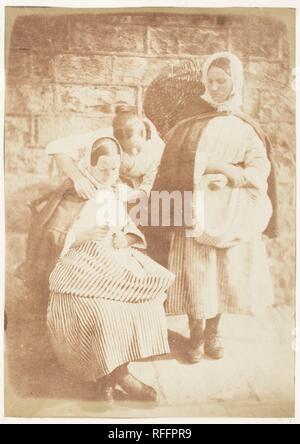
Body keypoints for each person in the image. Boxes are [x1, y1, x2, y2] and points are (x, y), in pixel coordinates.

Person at [152, 51, 276, 363]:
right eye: (210, 80)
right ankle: (195, 333)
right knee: (198, 271)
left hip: (232, 210)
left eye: (222, 80)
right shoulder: (191, 121)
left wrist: (236, 177)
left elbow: (260, 167)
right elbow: (177, 160)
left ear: (235, 82)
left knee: (223, 272)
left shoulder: (246, 126)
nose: (216, 86)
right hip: (198, 206)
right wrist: (215, 168)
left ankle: (213, 333)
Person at [47, 136, 175, 403]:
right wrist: (84, 234)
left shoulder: (118, 190)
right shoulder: (76, 190)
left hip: (113, 260)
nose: (109, 175)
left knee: (144, 305)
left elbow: (128, 226)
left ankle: (108, 379)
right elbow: (56, 235)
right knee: (99, 313)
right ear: (89, 166)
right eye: (103, 169)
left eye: (115, 169)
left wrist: (124, 238)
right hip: (77, 262)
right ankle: (119, 377)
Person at [47, 105, 165, 199]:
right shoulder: (105, 136)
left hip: (133, 194)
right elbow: (57, 147)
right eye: (125, 150)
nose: (132, 154)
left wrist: (132, 194)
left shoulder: (158, 149)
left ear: (144, 134)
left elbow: (150, 186)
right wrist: (78, 178)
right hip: (99, 186)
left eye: (137, 149)